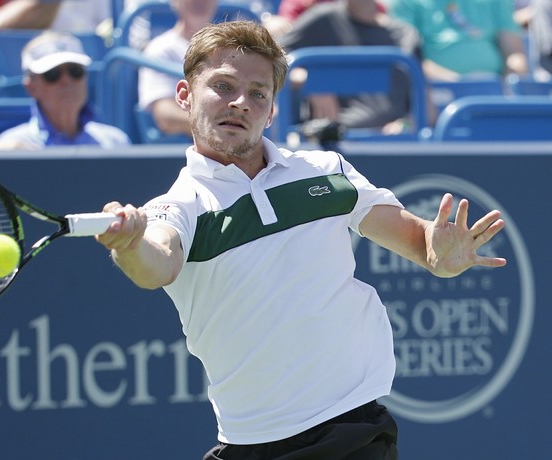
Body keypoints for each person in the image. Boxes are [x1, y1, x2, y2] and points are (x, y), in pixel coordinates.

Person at [94, 20, 507, 459]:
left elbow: (421, 245)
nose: (240, 103)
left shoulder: (327, 171)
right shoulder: (177, 206)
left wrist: (440, 252)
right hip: (250, 443)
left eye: (258, 93)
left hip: (353, 430)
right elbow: (156, 264)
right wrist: (130, 243)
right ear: (185, 95)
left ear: (272, 111)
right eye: (222, 86)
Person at [278, 0, 423, 133]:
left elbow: (426, 109)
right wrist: (313, 82)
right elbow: (272, 58)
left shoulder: (405, 35)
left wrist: (406, 124)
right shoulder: (323, 18)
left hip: (393, 144)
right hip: (329, 140)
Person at [0, 31, 131, 149]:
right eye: (52, 74)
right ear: (31, 87)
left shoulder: (116, 142)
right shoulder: (10, 146)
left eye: (75, 71)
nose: (66, 81)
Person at [385, 0, 528, 81]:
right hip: (436, 91)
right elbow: (409, 60)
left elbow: (514, 54)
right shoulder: (403, 3)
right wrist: (459, 83)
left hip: (493, 90)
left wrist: (511, 82)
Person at [138, 0, 219, 138]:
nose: (200, 2)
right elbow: (166, 116)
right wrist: (219, 129)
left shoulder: (234, 49)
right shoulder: (160, 49)